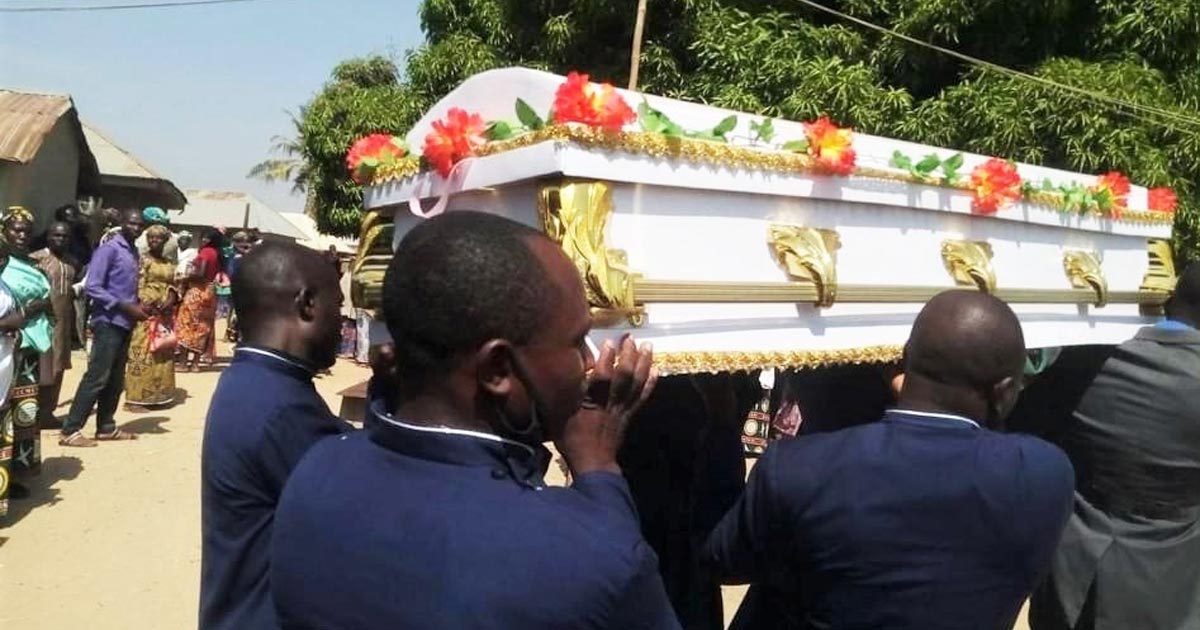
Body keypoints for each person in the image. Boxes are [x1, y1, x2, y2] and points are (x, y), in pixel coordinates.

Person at [270, 211, 678, 629]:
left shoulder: (315, 469)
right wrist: (598, 469)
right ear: (498, 370)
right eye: (576, 343)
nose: (590, 362)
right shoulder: (584, 557)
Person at [704, 290, 1076, 630]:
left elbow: (723, 560)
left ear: (902, 359)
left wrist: (721, 424)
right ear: (1006, 390)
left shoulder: (798, 469)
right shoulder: (1046, 475)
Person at [1029, 263, 1200, 630]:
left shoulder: (1087, 357)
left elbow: (1027, 427)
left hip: (1072, 564)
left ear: (1169, 298)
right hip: (1172, 580)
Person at [199, 242, 350, 630]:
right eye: (339, 306)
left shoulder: (257, 380)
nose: (343, 322)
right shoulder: (280, 407)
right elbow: (358, 503)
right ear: (307, 304)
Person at [59, 208, 147, 447]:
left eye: (140, 225)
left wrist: (137, 305)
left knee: (116, 379)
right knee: (97, 377)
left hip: (125, 322)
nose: (137, 229)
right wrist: (124, 306)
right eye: (132, 224)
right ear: (122, 223)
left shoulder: (133, 251)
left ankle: (106, 426)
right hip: (107, 321)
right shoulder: (109, 249)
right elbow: (94, 287)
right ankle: (71, 429)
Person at [0, 207, 54, 504]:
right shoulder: (2, 267)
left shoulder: (33, 266)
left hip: (28, 350)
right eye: (15, 230)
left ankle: (17, 473)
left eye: (26, 232)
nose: (21, 236)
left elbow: (46, 303)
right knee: (5, 417)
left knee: (25, 415)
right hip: (7, 348)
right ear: (4, 231)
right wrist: (29, 309)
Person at [30, 221, 80, 429]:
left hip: (63, 324)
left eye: (65, 236)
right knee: (40, 367)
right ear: (48, 236)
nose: (60, 240)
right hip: (41, 323)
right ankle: (31, 413)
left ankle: (47, 413)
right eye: (56, 236)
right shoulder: (36, 259)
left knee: (58, 367)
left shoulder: (71, 262)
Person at [123, 225, 179, 409]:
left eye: (159, 238)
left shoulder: (169, 263)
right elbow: (136, 283)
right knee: (142, 352)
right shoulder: (142, 260)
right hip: (146, 312)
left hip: (164, 314)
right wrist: (147, 302)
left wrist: (171, 298)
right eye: (151, 238)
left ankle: (158, 396)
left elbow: (174, 284)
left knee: (162, 350)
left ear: (165, 241)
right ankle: (135, 398)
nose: (154, 241)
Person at [177, 229, 221, 372]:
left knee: (186, 324)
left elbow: (201, 273)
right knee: (203, 328)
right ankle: (195, 364)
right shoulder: (216, 253)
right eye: (203, 237)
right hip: (209, 292)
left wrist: (184, 278)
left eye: (207, 238)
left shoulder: (205, 252)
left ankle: (183, 363)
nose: (204, 240)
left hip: (197, 291)